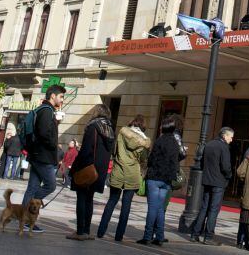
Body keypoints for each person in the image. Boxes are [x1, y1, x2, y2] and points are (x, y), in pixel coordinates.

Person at [97, 114, 151, 241]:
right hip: (132, 174)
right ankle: (119, 235)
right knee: (126, 205)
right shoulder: (144, 141)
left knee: (112, 201)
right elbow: (143, 159)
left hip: (119, 171)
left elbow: (114, 150)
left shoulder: (122, 133)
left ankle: (101, 231)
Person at [20, 83, 65, 234]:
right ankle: (30, 208)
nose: (62, 100)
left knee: (32, 187)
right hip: (43, 156)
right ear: (53, 96)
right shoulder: (47, 111)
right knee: (51, 185)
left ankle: (25, 220)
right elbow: (44, 133)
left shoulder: (44, 110)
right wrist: (54, 145)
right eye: (61, 96)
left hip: (37, 154)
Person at [68, 102, 115, 240]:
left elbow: (86, 151)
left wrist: (75, 168)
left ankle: (80, 232)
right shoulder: (110, 129)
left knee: (81, 199)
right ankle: (87, 231)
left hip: (87, 168)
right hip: (99, 171)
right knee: (89, 200)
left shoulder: (93, 127)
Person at [140, 114, 186, 246]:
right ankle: (159, 236)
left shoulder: (159, 141)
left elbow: (151, 160)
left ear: (163, 128)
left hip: (155, 178)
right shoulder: (175, 142)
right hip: (167, 180)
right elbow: (177, 159)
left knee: (152, 208)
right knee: (160, 209)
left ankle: (147, 236)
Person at [190, 125, 235, 244]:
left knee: (204, 207)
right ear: (225, 136)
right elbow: (226, 166)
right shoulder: (223, 147)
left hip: (207, 180)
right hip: (218, 182)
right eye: (231, 137)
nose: (231, 140)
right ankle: (208, 236)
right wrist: (229, 175)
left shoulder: (208, 144)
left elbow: (203, 162)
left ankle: (195, 233)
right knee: (214, 209)